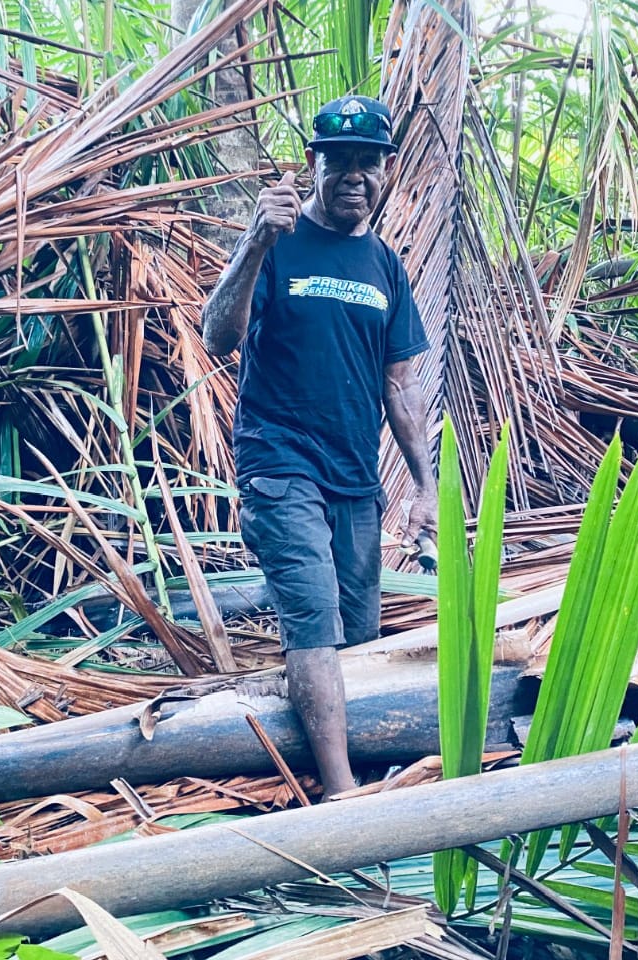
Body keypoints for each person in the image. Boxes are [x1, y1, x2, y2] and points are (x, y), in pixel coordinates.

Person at [200, 94, 436, 798]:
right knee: (314, 622)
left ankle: (365, 768)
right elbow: (218, 337)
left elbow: (400, 388)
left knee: (359, 635)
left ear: (385, 170)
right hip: (281, 465)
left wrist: (425, 488)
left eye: (370, 162)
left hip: (354, 479)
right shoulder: (278, 244)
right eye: (340, 162)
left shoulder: (385, 266)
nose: (356, 176)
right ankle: (341, 796)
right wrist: (253, 243)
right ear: (313, 164)